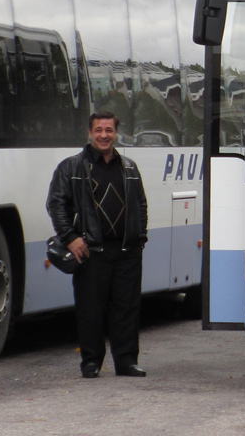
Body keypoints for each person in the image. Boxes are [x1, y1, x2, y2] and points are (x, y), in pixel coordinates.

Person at [47, 111, 148, 379]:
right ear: (90, 133)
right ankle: (91, 362)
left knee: (126, 309)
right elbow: (56, 204)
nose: (104, 135)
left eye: (109, 130)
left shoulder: (129, 167)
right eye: (98, 130)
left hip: (127, 252)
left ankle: (126, 363)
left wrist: (140, 238)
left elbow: (140, 204)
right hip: (91, 252)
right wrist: (71, 237)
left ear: (117, 133)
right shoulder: (72, 167)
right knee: (90, 310)